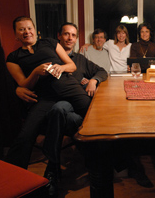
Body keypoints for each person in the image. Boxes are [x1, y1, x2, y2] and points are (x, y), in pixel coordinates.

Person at [8, 21, 107, 197]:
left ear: (36, 31)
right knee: (27, 134)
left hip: (69, 94)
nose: (26, 32)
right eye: (21, 29)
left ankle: (114, 161)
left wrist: (92, 80)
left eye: (29, 28)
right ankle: (12, 182)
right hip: (47, 98)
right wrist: (34, 73)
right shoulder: (14, 57)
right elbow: (22, 83)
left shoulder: (62, 50)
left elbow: (87, 69)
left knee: (97, 120)